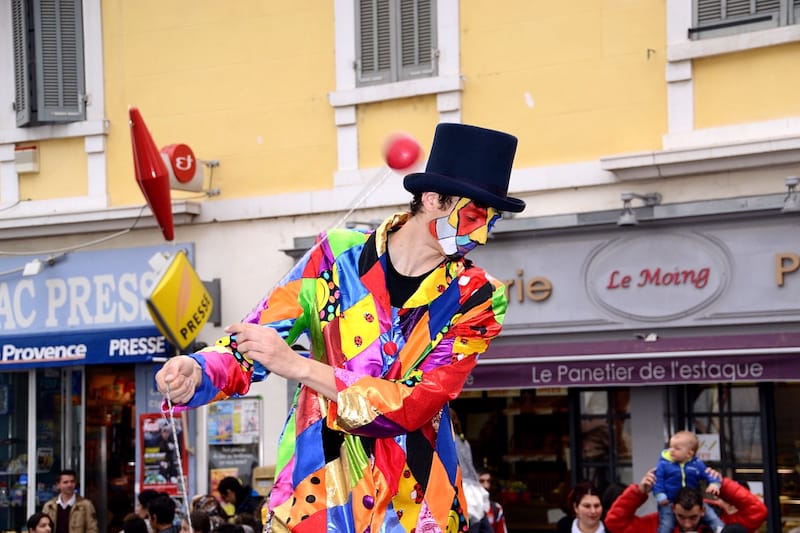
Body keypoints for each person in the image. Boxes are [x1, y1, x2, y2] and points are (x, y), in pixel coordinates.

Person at [154, 122, 526, 532]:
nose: (482, 235)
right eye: (474, 216)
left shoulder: (478, 297)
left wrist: (299, 368)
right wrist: (202, 368)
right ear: (434, 199)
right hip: (317, 499)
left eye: (491, 223)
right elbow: (258, 335)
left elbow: (414, 404)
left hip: (415, 509)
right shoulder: (336, 254)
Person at [604, 468, 767, 533]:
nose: (688, 524)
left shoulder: (720, 523)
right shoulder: (658, 525)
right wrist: (638, 492)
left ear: (703, 510)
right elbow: (614, 523)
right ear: (673, 509)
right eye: (681, 517)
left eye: (693, 517)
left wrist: (721, 484)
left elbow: (757, 512)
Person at [654, 431, 724, 533]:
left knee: (713, 518)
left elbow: (709, 475)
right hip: (669, 501)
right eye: (670, 447)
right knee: (666, 525)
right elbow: (658, 481)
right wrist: (660, 495)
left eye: (677, 448)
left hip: (695, 501)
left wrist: (714, 484)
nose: (671, 451)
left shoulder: (697, 464)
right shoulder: (663, 464)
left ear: (689, 453)